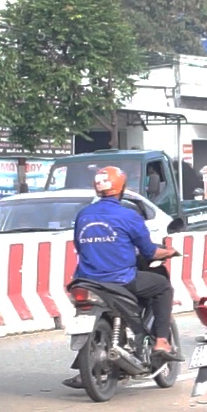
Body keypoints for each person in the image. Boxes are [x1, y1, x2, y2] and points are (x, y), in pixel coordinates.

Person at [61, 166, 181, 389]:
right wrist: (169, 252)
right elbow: (149, 252)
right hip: (121, 279)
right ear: (122, 188)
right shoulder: (129, 216)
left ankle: (85, 365)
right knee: (162, 286)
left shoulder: (84, 214)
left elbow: (79, 245)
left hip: (86, 280)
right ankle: (162, 342)